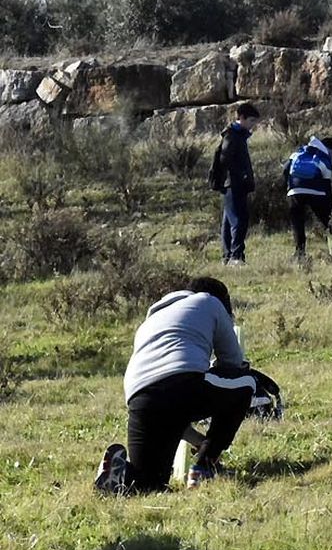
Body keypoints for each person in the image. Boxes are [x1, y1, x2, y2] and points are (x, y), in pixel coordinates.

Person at [96, 277, 255, 495]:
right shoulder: (210, 302)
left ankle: (118, 475)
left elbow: (174, 414)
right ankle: (205, 466)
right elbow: (233, 363)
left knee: (149, 484)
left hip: (140, 397)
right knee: (246, 384)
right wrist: (213, 443)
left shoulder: (152, 319)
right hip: (183, 383)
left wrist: (200, 440)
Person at [283, 134, 332, 262]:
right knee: (329, 223)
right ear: (330, 149)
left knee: (298, 224)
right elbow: (327, 187)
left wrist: (288, 188)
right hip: (317, 192)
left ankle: (300, 253)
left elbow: (286, 169)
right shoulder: (324, 159)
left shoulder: (299, 152)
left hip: (295, 191)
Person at [213, 103, 259, 266]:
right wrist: (241, 175)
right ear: (242, 118)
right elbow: (225, 158)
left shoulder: (237, 135)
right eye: (251, 120)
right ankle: (236, 256)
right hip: (233, 184)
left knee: (228, 221)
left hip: (233, 183)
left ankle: (227, 256)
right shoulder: (233, 136)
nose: (253, 125)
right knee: (239, 220)